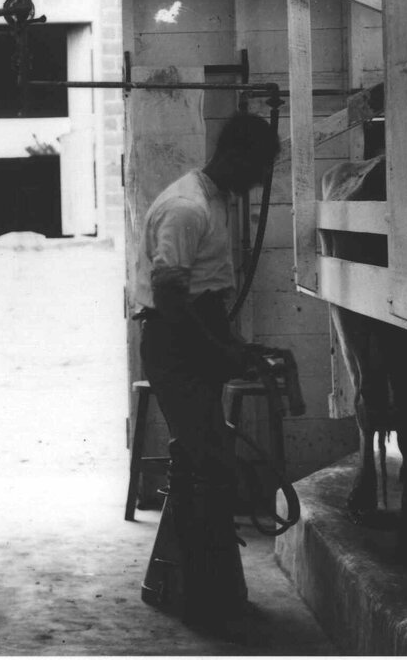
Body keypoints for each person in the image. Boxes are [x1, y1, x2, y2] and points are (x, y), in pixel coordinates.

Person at [134, 111, 280, 624]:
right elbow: (171, 293)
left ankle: (199, 584)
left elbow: (209, 291)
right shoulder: (186, 207)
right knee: (205, 463)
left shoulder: (215, 200)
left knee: (207, 457)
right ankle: (204, 597)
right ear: (235, 156)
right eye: (258, 169)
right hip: (174, 342)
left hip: (193, 334)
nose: (259, 181)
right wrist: (217, 350)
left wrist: (233, 344)